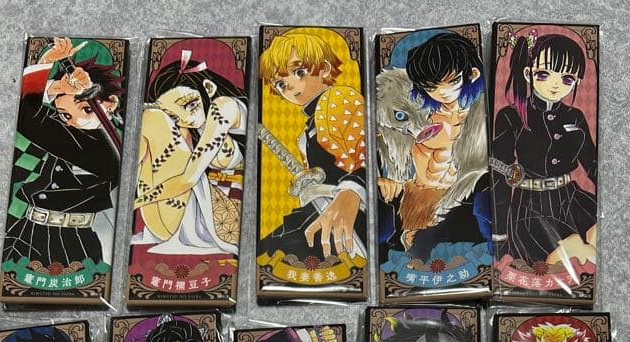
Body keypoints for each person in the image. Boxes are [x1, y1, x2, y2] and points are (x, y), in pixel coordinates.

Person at [2, 37, 123, 275]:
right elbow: (26, 114)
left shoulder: (107, 148)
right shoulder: (71, 133)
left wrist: (57, 84)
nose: (73, 121)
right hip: (26, 231)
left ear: (111, 104)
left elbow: (29, 118)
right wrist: (58, 85)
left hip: (72, 242)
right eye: (65, 115)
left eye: (85, 110)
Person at [491, 31, 597, 271]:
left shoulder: (575, 116)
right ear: (528, 74)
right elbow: (499, 174)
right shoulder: (511, 116)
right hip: (530, 208)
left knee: (599, 243)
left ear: (577, 82)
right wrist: (499, 234)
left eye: (567, 79)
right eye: (544, 74)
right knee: (576, 256)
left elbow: (592, 165)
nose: (555, 84)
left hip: (572, 200)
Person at [380, 31, 490, 260]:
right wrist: (385, 181)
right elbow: (398, 162)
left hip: (461, 208)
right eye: (431, 86)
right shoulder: (420, 115)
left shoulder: (482, 115)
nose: (442, 92)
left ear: (472, 74)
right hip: (415, 205)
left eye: (451, 81)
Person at [259, 28, 366, 261]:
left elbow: (367, 152)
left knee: (271, 251)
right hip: (321, 209)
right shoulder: (307, 130)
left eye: (299, 72)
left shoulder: (339, 98)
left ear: (324, 69)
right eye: (280, 84)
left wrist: (352, 191)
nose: (289, 86)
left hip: (349, 210)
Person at [132, 45, 247, 256]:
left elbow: (187, 179)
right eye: (174, 116)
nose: (185, 119)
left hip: (227, 216)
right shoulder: (193, 123)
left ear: (208, 88)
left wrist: (135, 203)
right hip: (197, 208)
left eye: (188, 105)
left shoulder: (224, 108)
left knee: (152, 119)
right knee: (152, 117)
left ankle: (122, 191)